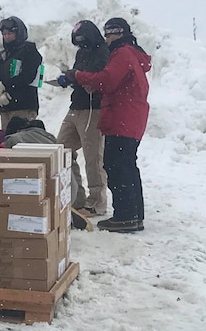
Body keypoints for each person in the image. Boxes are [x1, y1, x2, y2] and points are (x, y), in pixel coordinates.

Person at [62, 17, 151, 233]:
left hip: (123, 117)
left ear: (118, 33)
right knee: (126, 165)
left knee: (116, 165)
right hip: (128, 116)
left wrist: (80, 76)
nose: (107, 38)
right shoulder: (129, 53)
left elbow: (108, 79)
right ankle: (133, 215)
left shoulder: (122, 53)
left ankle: (125, 215)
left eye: (110, 33)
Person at [55, 20, 110, 218]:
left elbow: (95, 76)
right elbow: (80, 77)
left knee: (93, 156)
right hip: (76, 106)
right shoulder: (81, 53)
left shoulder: (103, 52)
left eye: (83, 41)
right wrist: (70, 79)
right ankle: (77, 195)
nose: (81, 45)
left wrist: (73, 76)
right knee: (62, 149)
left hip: (93, 108)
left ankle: (97, 200)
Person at [0, 16, 43, 130]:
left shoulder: (29, 50)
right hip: (6, 107)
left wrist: (6, 86)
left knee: (23, 141)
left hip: (24, 106)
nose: (7, 37)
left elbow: (27, 76)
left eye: (10, 33)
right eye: (4, 34)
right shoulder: (3, 55)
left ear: (18, 33)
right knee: (8, 142)